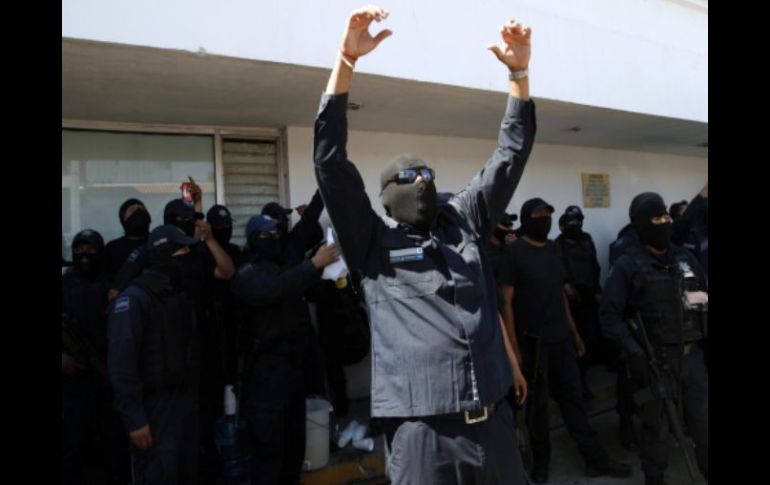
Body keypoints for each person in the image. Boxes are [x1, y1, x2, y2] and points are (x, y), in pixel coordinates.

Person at [313, 6, 535, 482]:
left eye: (427, 174)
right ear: (386, 195)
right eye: (408, 177)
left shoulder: (464, 220)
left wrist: (519, 76)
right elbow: (330, 163)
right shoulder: (371, 243)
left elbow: (510, 156)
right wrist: (345, 62)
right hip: (422, 439)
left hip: (493, 427)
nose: (421, 183)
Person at [500, 198, 631, 483]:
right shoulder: (514, 252)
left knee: (574, 401)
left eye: (548, 214)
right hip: (533, 345)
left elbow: (559, 295)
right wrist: (514, 351)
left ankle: (595, 459)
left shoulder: (552, 249)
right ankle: (541, 464)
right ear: (527, 218)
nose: (545, 219)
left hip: (561, 341)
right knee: (537, 411)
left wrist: (575, 333)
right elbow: (506, 303)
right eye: (539, 215)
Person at [600, 192, 708, 485]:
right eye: (656, 219)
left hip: (692, 359)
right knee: (656, 430)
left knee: (703, 424)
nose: (664, 223)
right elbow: (609, 316)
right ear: (640, 225)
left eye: (666, 217)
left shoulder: (686, 258)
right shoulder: (627, 265)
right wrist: (634, 351)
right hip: (655, 362)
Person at [231, 214, 339, 483]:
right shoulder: (247, 273)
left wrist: (323, 267)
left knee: (294, 447)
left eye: (277, 233)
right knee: (269, 453)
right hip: (263, 377)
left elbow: (302, 287)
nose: (274, 239)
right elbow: (275, 289)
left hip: (292, 372)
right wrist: (312, 265)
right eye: (267, 235)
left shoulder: (283, 267)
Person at [107, 225, 202, 485]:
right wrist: (135, 418)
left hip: (182, 399)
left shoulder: (176, 293)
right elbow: (121, 364)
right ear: (164, 254)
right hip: (153, 405)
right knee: (160, 472)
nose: (187, 255)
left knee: (187, 470)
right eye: (181, 249)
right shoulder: (135, 299)